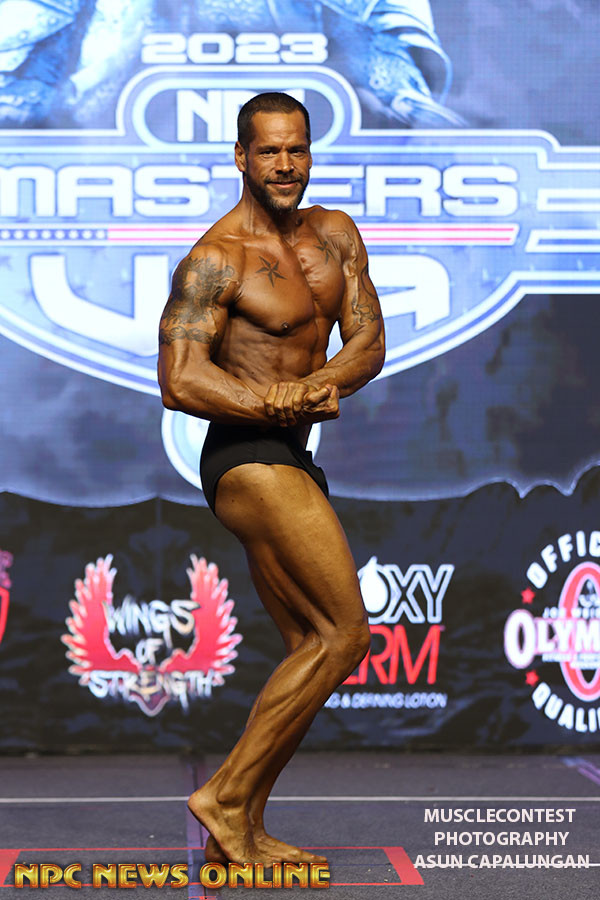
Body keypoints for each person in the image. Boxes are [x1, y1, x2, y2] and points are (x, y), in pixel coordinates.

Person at [158, 92, 385, 866]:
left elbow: (368, 341)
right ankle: (224, 797)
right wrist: (269, 401)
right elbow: (179, 378)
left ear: (309, 153)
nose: (284, 165)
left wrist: (313, 387)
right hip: (244, 457)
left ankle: (244, 829)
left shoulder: (335, 235)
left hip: (292, 448)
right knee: (346, 635)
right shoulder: (216, 258)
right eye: (268, 152)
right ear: (241, 158)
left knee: (309, 646)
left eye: (297, 149)